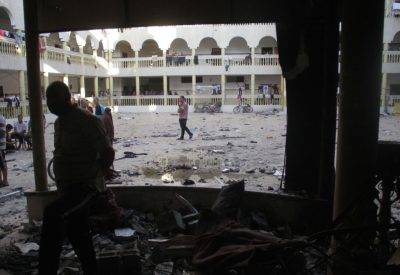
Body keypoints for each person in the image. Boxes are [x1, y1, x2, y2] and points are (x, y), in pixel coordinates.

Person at [39, 81, 114, 275]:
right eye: (48, 100)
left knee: (52, 215)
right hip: (68, 188)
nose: (50, 104)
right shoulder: (59, 122)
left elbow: (107, 153)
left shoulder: (87, 121)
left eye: (53, 99)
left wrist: (96, 176)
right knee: (78, 234)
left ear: (66, 98)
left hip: (84, 188)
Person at [0, 115, 8, 187]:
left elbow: (2, 132)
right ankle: (1, 181)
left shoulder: (1, 118)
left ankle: (5, 181)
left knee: (2, 163)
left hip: (1, 145)